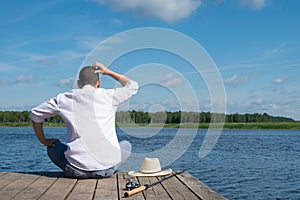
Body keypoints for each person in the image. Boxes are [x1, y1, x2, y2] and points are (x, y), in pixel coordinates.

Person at [30, 62, 138, 178]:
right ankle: (104, 166)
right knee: (126, 145)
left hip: (75, 169)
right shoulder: (110, 96)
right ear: (98, 84)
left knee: (53, 148)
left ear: (78, 84)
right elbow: (133, 85)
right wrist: (107, 71)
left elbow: (35, 114)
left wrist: (43, 140)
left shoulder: (64, 98)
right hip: (106, 170)